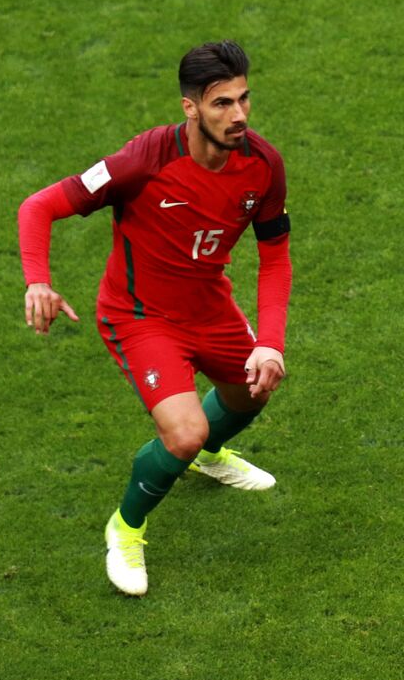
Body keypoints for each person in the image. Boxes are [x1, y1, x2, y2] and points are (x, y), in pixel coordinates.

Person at [17, 40, 293, 597]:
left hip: (209, 307)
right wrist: (38, 280)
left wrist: (270, 342)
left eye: (244, 99)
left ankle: (210, 456)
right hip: (140, 316)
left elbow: (275, 257)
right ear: (190, 108)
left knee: (255, 390)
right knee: (184, 431)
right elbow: (39, 205)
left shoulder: (263, 165)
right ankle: (126, 527)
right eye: (221, 104)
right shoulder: (142, 160)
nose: (238, 115)